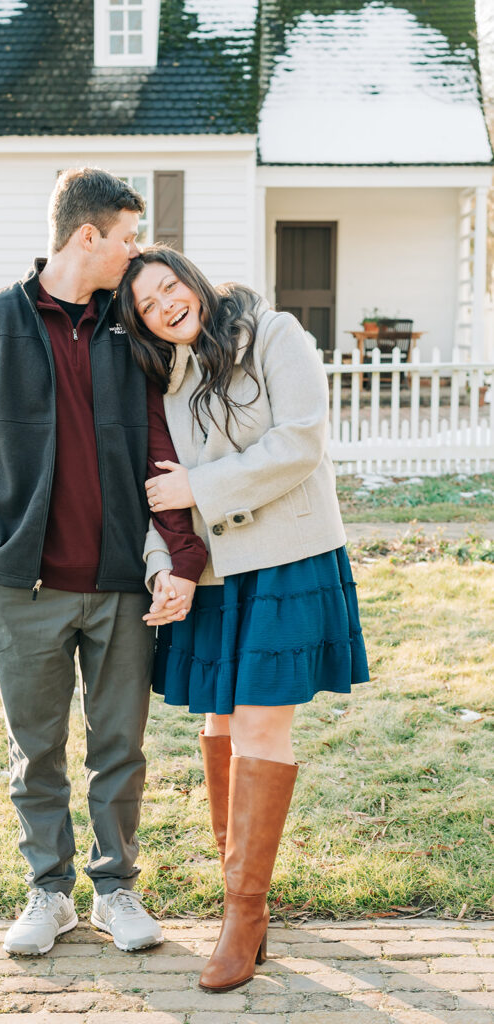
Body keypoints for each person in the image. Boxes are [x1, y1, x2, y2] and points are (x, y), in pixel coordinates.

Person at [0, 170, 206, 957]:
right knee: (38, 751)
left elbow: (161, 447)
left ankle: (117, 888)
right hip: (25, 587)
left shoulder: (134, 329)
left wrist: (176, 556)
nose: (137, 251)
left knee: (121, 746)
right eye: (127, 237)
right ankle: (48, 892)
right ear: (87, 236)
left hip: (123, 586)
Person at [116, 246, 369, 992]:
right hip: (219, 574)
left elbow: (300, 441)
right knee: (218, 728)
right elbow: (159, 496)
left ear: (193, 281)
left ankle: (245, 915)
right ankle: (239, 905)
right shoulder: (169, 377)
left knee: (261, 726)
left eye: (169, 288)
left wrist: (203, 483)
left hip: (289, 557)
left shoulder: (275, 334)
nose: (164, 306)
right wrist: (168, 566)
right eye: (148, 305)